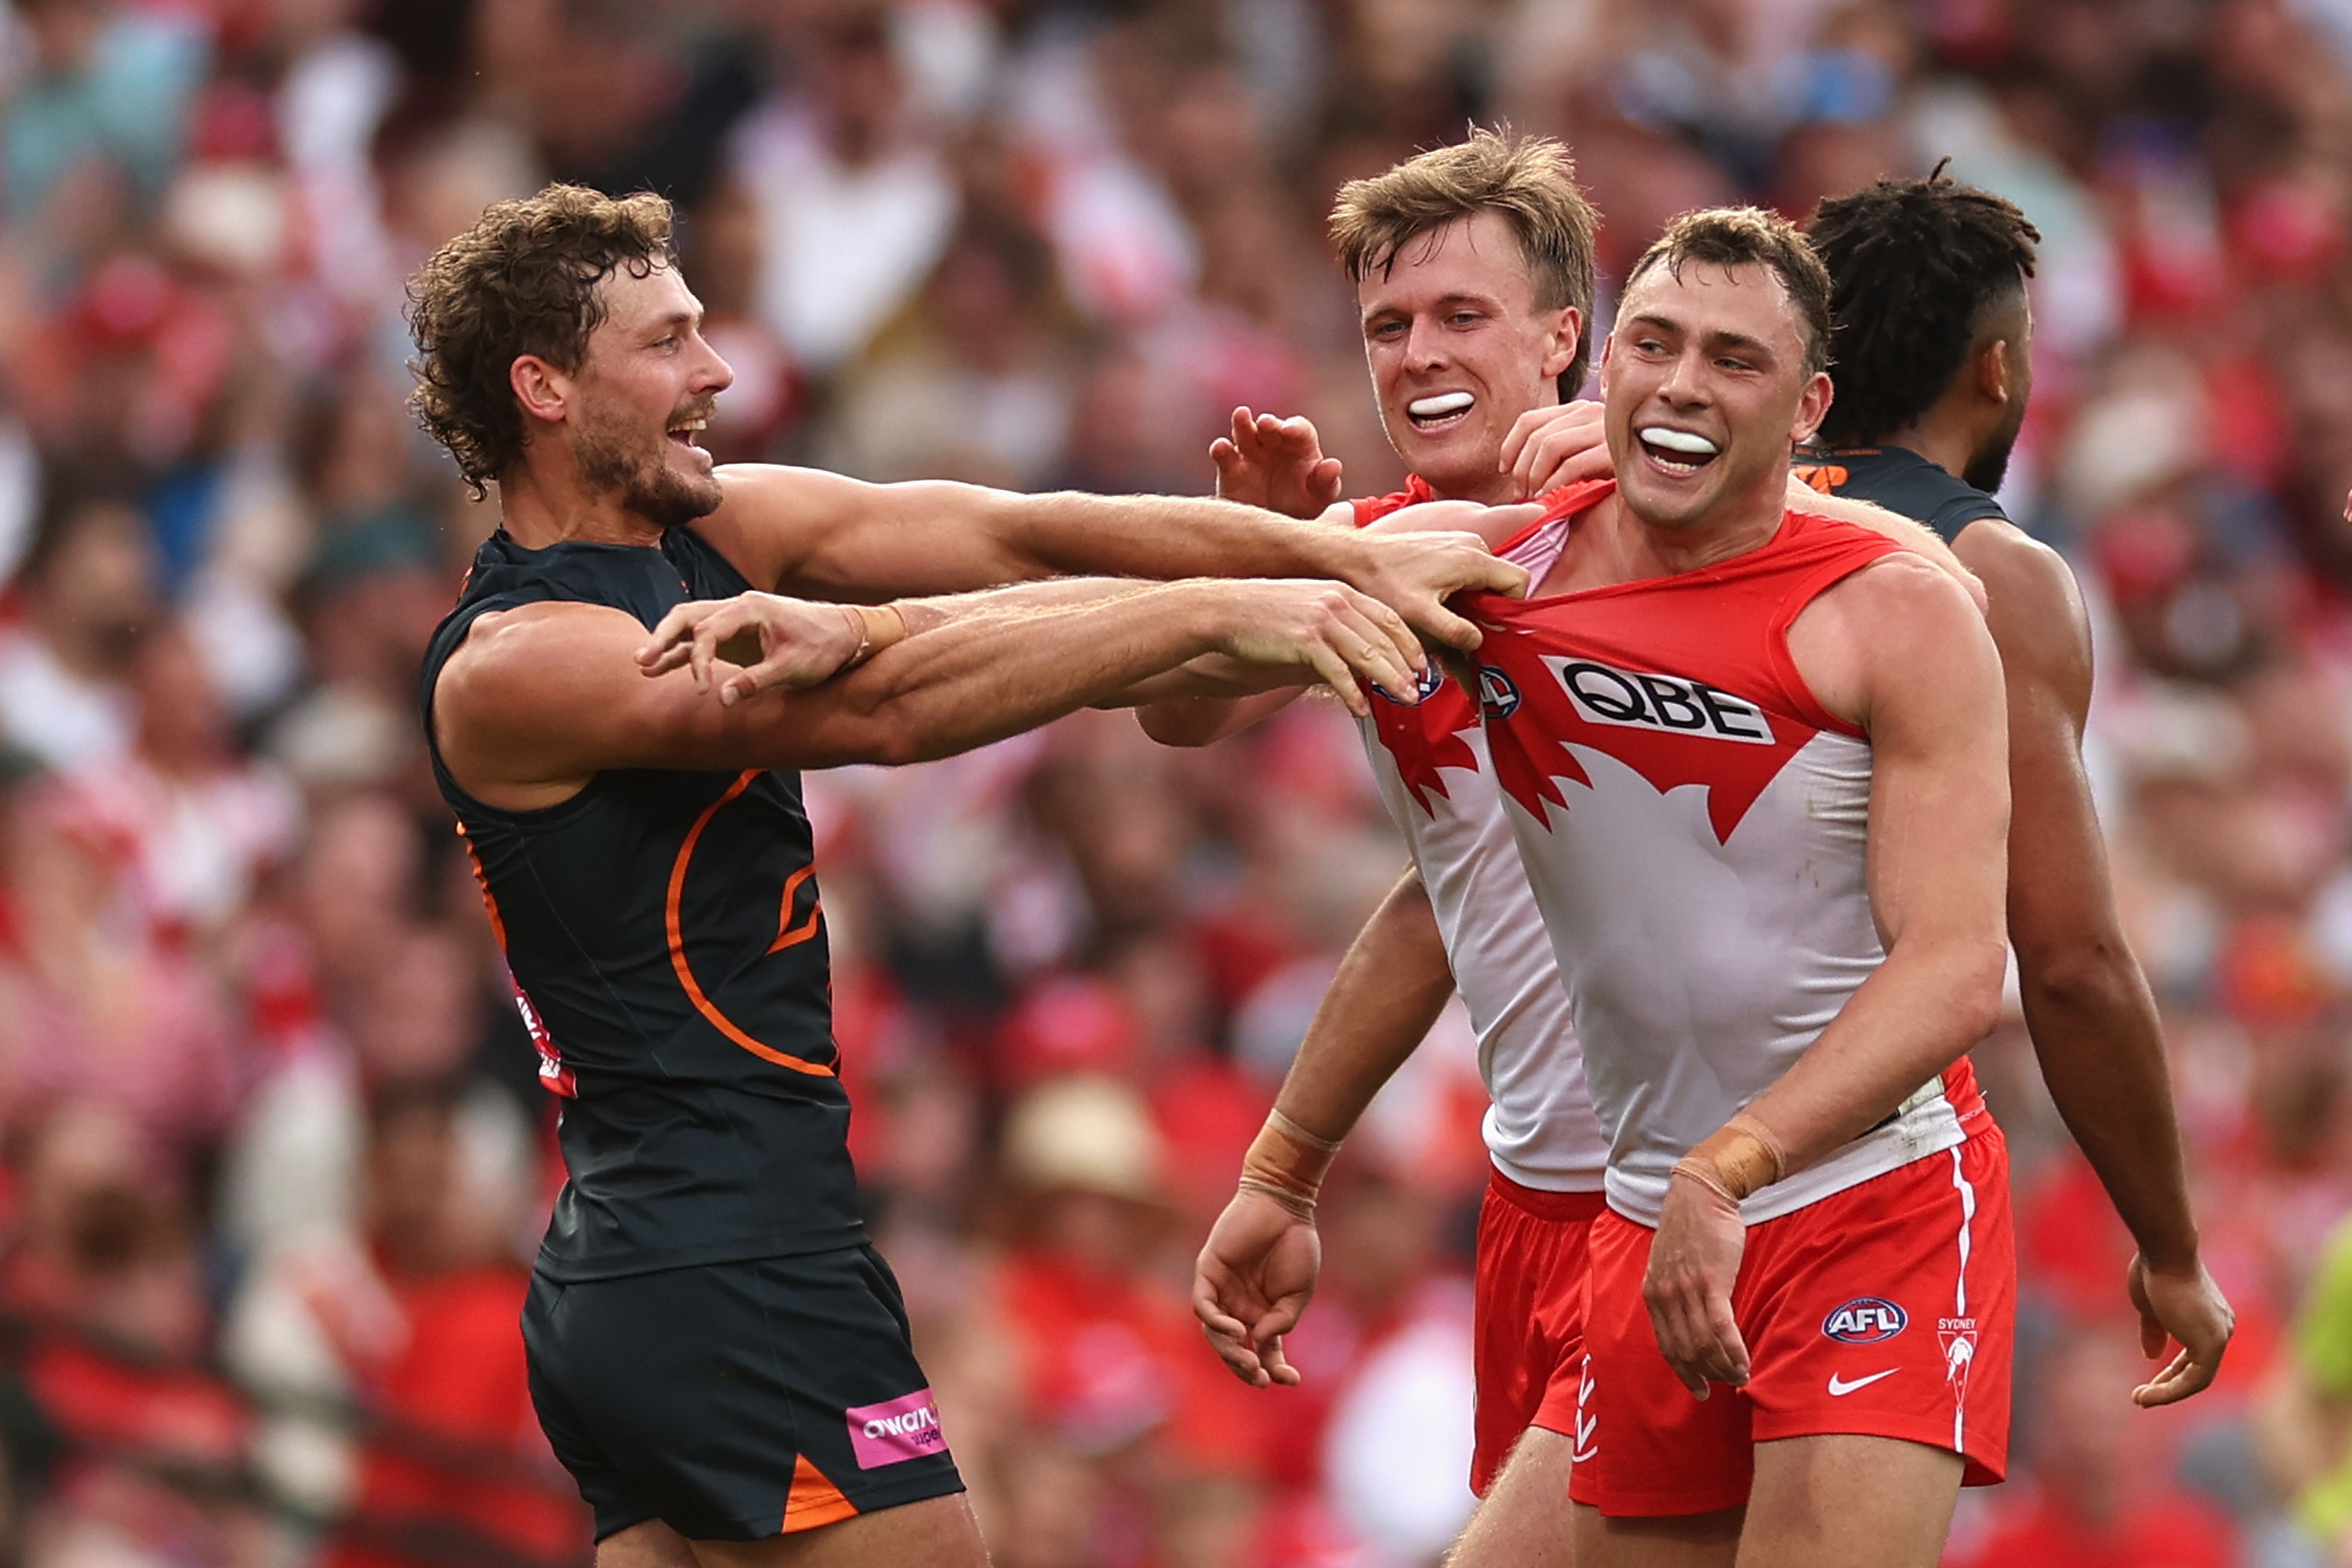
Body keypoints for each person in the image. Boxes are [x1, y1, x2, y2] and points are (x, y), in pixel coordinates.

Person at [407, 183, 1525, 1568]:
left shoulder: (716, 528)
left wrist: (1318, 552)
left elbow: (1023, 538)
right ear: (545, 388)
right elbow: (891, 708)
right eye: (667, 342)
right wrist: (1263, 602)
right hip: (729, 1256)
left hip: (670, 1261)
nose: (719, 370)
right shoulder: (514, 662)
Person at [1153, 131, 1976, 1567]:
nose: (1417, 356)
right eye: (1386, 327)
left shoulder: (1668, 521)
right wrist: (1256, 565)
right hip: (1544, 1200)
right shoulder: (1398, 558)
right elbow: (1404, 865)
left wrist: (1637, 440)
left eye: (1461, 317)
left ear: (1567, 341)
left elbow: (1841, 556)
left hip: (1737, 1180)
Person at [1465, 206, 2012, 1566]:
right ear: (1603, 368)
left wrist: (1733, 1165)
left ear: (1811, 405)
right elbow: (1198, 708)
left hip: (1864, 1197)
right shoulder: (1504, 572)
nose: (1682, 384)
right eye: (1651, 344)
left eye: (1733, 358)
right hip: (1648, 1217)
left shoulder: (1903, 606)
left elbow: (1956, 969)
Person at [1793, 167, 2232, 1404]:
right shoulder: (1994, 576)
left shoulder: (1692, 527)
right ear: (1995, 368)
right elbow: (2072, 963)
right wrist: (2171, 1248)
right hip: (1857, 1173)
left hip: (1626, 1154)